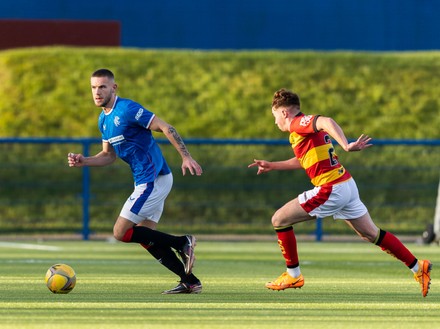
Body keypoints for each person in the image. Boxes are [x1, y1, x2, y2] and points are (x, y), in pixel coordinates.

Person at [248, 88, 432, 297]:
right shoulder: (300, 132)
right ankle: (419, 267)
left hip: (331, 188)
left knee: (279, 219)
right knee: (371, 233)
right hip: (346, 184)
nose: (275, 122)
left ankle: (293, 275)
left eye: (274, 116)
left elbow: (326, 121)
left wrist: (346, 145)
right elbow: (304, 161)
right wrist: (272, 165)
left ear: (283, 113)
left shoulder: (298, 123)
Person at [68, 68, 203, 294]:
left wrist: (186, 156)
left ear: (114, 87)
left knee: (120, 232)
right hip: (149, 180)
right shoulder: (103, 120)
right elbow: (108, 155)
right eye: (93, 87)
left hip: (152, 180)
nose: (97, 92)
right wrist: (85, 160)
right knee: (144, 237)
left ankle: (182, 242)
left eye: (102, 86)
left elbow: (165, 127)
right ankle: (189, 281)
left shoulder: (128, 109)